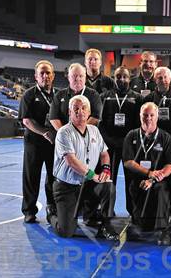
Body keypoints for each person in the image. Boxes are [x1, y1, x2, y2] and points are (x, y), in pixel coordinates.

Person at [47, 95, 118, 240]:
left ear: (89, 111)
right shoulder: (64, 132)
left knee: (108, 185)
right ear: (69, 112)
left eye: (83, 108)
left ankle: (106, 225)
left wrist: (105, 169)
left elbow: (104, 153)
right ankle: (51, 215)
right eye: (76, 109)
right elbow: (71, 161)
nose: (80, 112)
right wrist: (93, 175)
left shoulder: (94, 131)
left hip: (86, 184)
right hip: (66, 186)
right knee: (66, 232)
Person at [123, 102, 171, 245]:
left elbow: (170, 164)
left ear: (157, 116)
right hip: (139, 178)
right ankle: (138, 221)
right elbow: (128, 162)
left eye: (152, 115)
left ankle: (163, 229)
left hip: (160, 179)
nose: (148, 118)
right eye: (145, 115)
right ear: (140, 116)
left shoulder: (166, 138)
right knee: (136, 189)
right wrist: (148, 173)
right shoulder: (131, 135)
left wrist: (155, 177)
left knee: (160, 190)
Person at [99, 66, 143, 215]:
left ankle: (133, 211)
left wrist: (129, 141)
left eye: (124, 77)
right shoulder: (104, 96)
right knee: (109, 180)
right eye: (118, 77)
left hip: (129, 146)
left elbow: (139, 123)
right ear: (114, 78)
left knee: (132, 181)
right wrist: (108, 141)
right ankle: (107, 211)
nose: (121, 79)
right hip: (109, 146)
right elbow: (100, 123)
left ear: (129, 79)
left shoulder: (137, 98)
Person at [18, 60, 57, 223]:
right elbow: (26, 120)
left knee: (53, 177)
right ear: (36, 76)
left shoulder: (59, 95)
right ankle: (29, 210)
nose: (45, 76)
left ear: (53, 75)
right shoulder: (29, 94)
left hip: (53, 143)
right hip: (34, 143)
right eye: (41, 73)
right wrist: (44, 132)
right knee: (31, 176)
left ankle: (52, 208)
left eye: (48, 72)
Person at [49, 63, 102, 130]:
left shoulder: (94, 95)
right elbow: (53, 118)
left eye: (81, 76)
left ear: (85, 78)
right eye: (74, 76)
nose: (77, 79)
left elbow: (96, 118)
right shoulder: (59, 95)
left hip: (85, 137)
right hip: (64, 137)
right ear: (68, 77)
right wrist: (65, 133)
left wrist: (79, 133)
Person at [143, 66, 171, 140]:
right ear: (155, 80)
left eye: (165, 77)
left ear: (170, 79)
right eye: (160, 78)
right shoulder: (148, 99)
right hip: (153, 139)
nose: (163, 80)